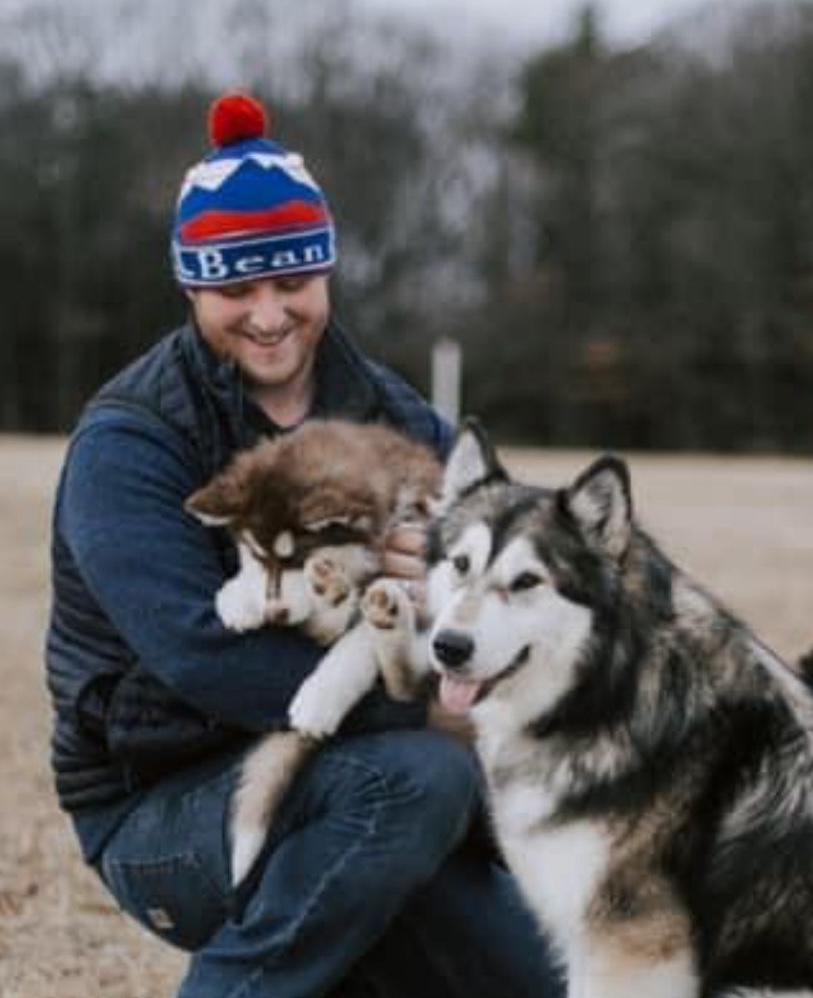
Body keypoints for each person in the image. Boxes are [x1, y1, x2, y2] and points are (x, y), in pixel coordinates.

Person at [45, 91, 561, 998]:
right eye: (235, 289)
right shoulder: (131, 440)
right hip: (167, 806)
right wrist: (428, 709)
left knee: (555, 979)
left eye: (293, 282)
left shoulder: (403, 422)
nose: (270, 314)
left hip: (390, 795)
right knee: (416, 776)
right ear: (191, 286)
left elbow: (533, 596)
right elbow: (196, 658)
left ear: (326, 272)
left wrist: (444, 593)